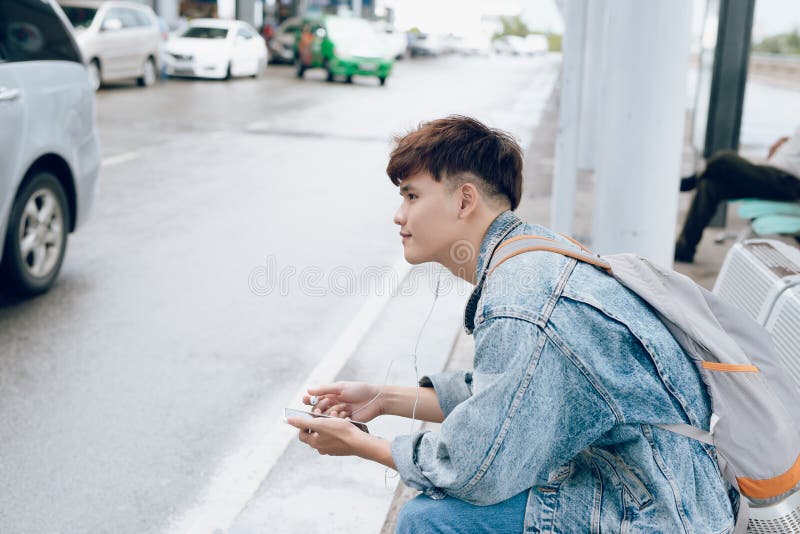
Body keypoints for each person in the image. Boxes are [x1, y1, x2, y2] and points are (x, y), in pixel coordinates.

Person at [286, 116, 736, 533]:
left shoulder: (521, 298)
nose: (398, 214)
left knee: (430, 519)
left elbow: (471, 469)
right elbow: (511, 397)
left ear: (464, 199)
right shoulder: (534, 255)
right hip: (662, 478)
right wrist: (382, 400)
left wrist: (357, 444)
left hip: (659, 507)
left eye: (411, 195)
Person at [675, 126, 800, 263]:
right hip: (772, 174)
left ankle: (692, 182)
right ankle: (684, 249)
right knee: (710, 186)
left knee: (724, 159)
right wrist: (784, 145)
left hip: (787, 182)